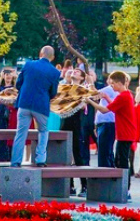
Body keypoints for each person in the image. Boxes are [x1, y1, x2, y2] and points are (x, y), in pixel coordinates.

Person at [86, 70, 136, 199]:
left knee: (122, 162)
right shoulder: (126, 95)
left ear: (119, 83)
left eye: (113, 84)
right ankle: (123, 188)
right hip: (124, 133)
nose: (112, 86)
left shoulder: (123, 96)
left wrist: (89, 101)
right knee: (119, 159)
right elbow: (113, 106)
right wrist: (106, 98)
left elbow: (103, 110)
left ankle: (125, 189)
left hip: (125, 133)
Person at [10, 46, 60, 168]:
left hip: (24, 103)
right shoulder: (55, 72)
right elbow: (53, 92)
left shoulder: (28, 65)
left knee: (21, 133)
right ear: (52, 57)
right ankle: (40, 160)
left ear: (40, 54)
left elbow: (18, 84)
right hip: (41, 105)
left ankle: (16, 161)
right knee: (43, 131)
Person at [61, 68, 89, 197]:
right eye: (73, 71)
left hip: (76, 126)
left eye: (78, 72)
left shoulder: (83, 89)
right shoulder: (65, 88)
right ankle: (69, 186)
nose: (74, 72)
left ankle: (84, 186)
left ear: (82, 78)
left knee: (78, 156)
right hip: (64, 124)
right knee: (65, 156)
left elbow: (83, 106)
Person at [95, 73, 117, 168]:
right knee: (107, 150)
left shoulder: (109, 89)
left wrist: (90, 82)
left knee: (104, 151)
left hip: (107, 123)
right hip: (105, 123)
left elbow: (94, 94)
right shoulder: (112, 90)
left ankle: (105, 172)